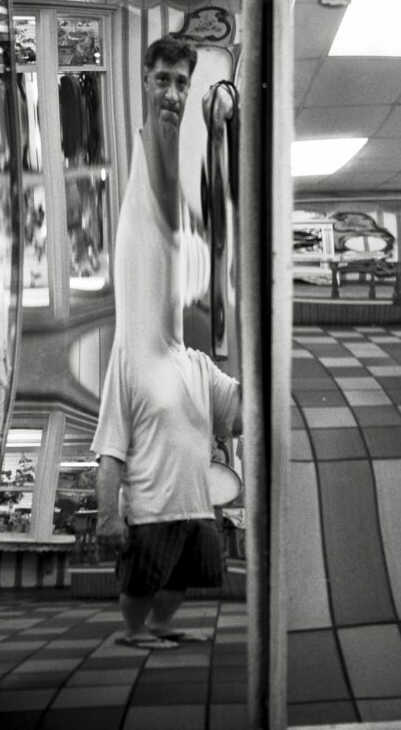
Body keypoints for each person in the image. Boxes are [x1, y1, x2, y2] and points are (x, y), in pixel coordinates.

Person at [92, 34, 242, 650]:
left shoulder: (196, 364)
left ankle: (161, 626)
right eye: (163, 80)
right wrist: (107, 513)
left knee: (191, 577)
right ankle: (134, 632)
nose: (172, 91)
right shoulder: (128, 357)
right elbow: (109, 452)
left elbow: (240, 415)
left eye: (182, 82)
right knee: (143, 578)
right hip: (151, 509)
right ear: (144, 81)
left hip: (193, 504)